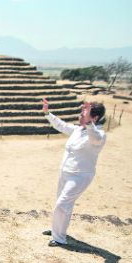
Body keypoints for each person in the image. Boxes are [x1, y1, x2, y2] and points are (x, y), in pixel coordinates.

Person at [41, 98, 107, 246]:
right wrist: (47, 113)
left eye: (84, 114)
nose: (80, 117)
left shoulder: (99, 135)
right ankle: (57, 231)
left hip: (80, 176)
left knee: (62, 204)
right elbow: (61, 125)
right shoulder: (78, 130)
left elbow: (95, 138)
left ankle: (59, 239)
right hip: (65, 172)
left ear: (94, 118)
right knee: (63, 204)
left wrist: (89, 123)